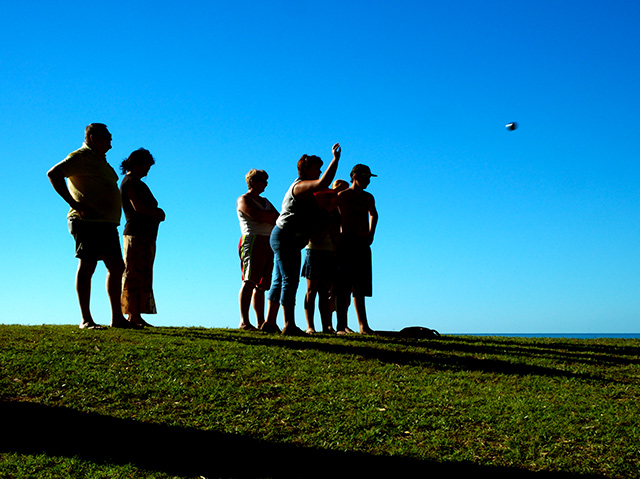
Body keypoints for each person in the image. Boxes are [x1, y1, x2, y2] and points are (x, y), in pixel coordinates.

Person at [47, 123, 135, 329]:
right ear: (93, 137)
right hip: (87, 222)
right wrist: (74, 204)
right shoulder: (81, 156)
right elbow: (53, 173)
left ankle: (117, 318)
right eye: (108, 139)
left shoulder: (100, 160)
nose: (111, 145)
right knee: (88, 265)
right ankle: (86, 319)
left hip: (106, 222)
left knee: (116, 266)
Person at [268, 143, 342, 336]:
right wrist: (335, 160)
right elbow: (323, 183)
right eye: (317, 168)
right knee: (289, 281)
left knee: (279, 281)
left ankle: (269, 322)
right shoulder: (300, 186)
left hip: (286, 237)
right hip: (285, 237)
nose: (319, 171)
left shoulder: (306, 191)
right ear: (306, 169)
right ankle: (288, 324)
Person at [120, 148, 166, 327]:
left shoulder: (136, 182)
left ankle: (136, 314)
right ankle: (133, 314)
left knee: (143, 273)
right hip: (136, 233)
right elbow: (138, 206)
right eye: (146, 166)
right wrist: (157, 213)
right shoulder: (131, 182)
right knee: (134, 273)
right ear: (137, 164)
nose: (148, 170)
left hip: (146, 234)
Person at [335, 164, 379, 334]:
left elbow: (374, 213)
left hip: (362, 243)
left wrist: (371, 234)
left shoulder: (368, 197)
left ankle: (363, 325)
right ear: (354, 176)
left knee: (360, 287)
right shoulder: (342, 196)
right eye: (365, 177)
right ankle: (341, 325)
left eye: (369, 177)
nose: (368, 181)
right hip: (345, 243)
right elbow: (333, 215)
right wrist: (337, 234)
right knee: (343, 286)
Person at [301, 180, 348, 333]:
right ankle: (310, 326)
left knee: (324, 292)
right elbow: (314, 237)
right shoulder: (313, 214)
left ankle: (326, 326)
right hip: (313, 252)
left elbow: (336, 237)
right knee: (311, 290)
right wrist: (327, 224)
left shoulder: (334, 215)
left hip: (328, 253)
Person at [237, 169, 279, 331]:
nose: (265, 184)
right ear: (252, 181)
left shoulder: (266, 201)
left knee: (262, 284)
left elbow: (277, 217)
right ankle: (244, 321)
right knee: (249, 280)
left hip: (268, 241)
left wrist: (268, 216)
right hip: (252, 240)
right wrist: (268, 216)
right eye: (262, 180)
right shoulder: (243, 199)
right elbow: (258, 216)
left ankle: (261, 321)